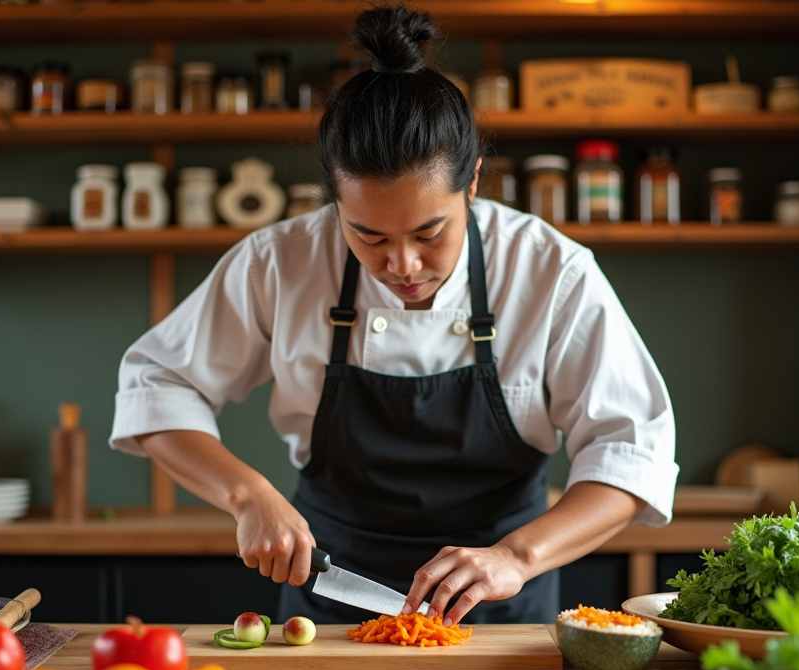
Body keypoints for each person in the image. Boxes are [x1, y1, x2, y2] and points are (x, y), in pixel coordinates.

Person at [110, 4, 678, 626]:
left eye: (430, 232)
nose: (403, 263)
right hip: (330, 598)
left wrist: (518, 554)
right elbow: (157, 383)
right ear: (334, 203)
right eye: (368, 236)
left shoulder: (550, 271)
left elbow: (632, 449)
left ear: (474, 184)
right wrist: (248, 495)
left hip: (500, 603)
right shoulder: (280, 261)